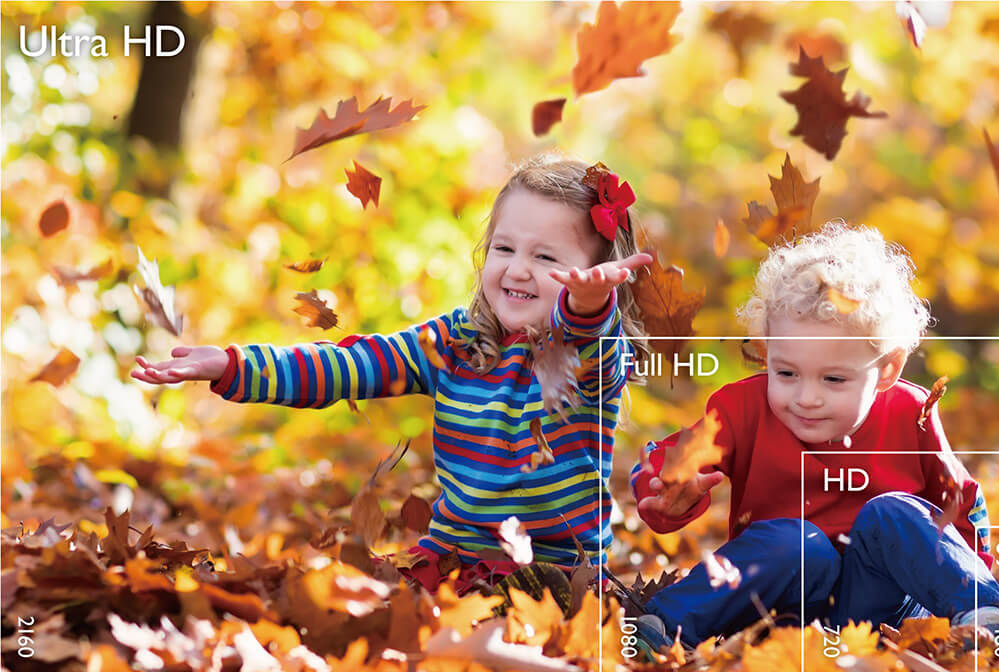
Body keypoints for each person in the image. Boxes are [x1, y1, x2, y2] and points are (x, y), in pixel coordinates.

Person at [132, 154, 652, 596]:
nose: (517, 269)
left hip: (554, 575)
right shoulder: (456, 342)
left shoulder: (590, 359)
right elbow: (350, 366)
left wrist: (588, 304)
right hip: (450, 559)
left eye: (545, 257)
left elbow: (589, 340)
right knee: (354, 609)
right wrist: (234, 365)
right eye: (504, 248)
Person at [628, 221, 999, 655]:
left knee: (892, 513)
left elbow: (960, 499)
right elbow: (668, 461)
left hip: (884, 608)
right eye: (786, 373)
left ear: (887, 370)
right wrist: (665, 490)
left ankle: (982, 621)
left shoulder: (911, 413)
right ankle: (662, 628)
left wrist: (968, 580)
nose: (806, 398)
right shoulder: (741, 409)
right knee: (795, 541)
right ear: (767, 352)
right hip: (785, 607)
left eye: (833, 379)